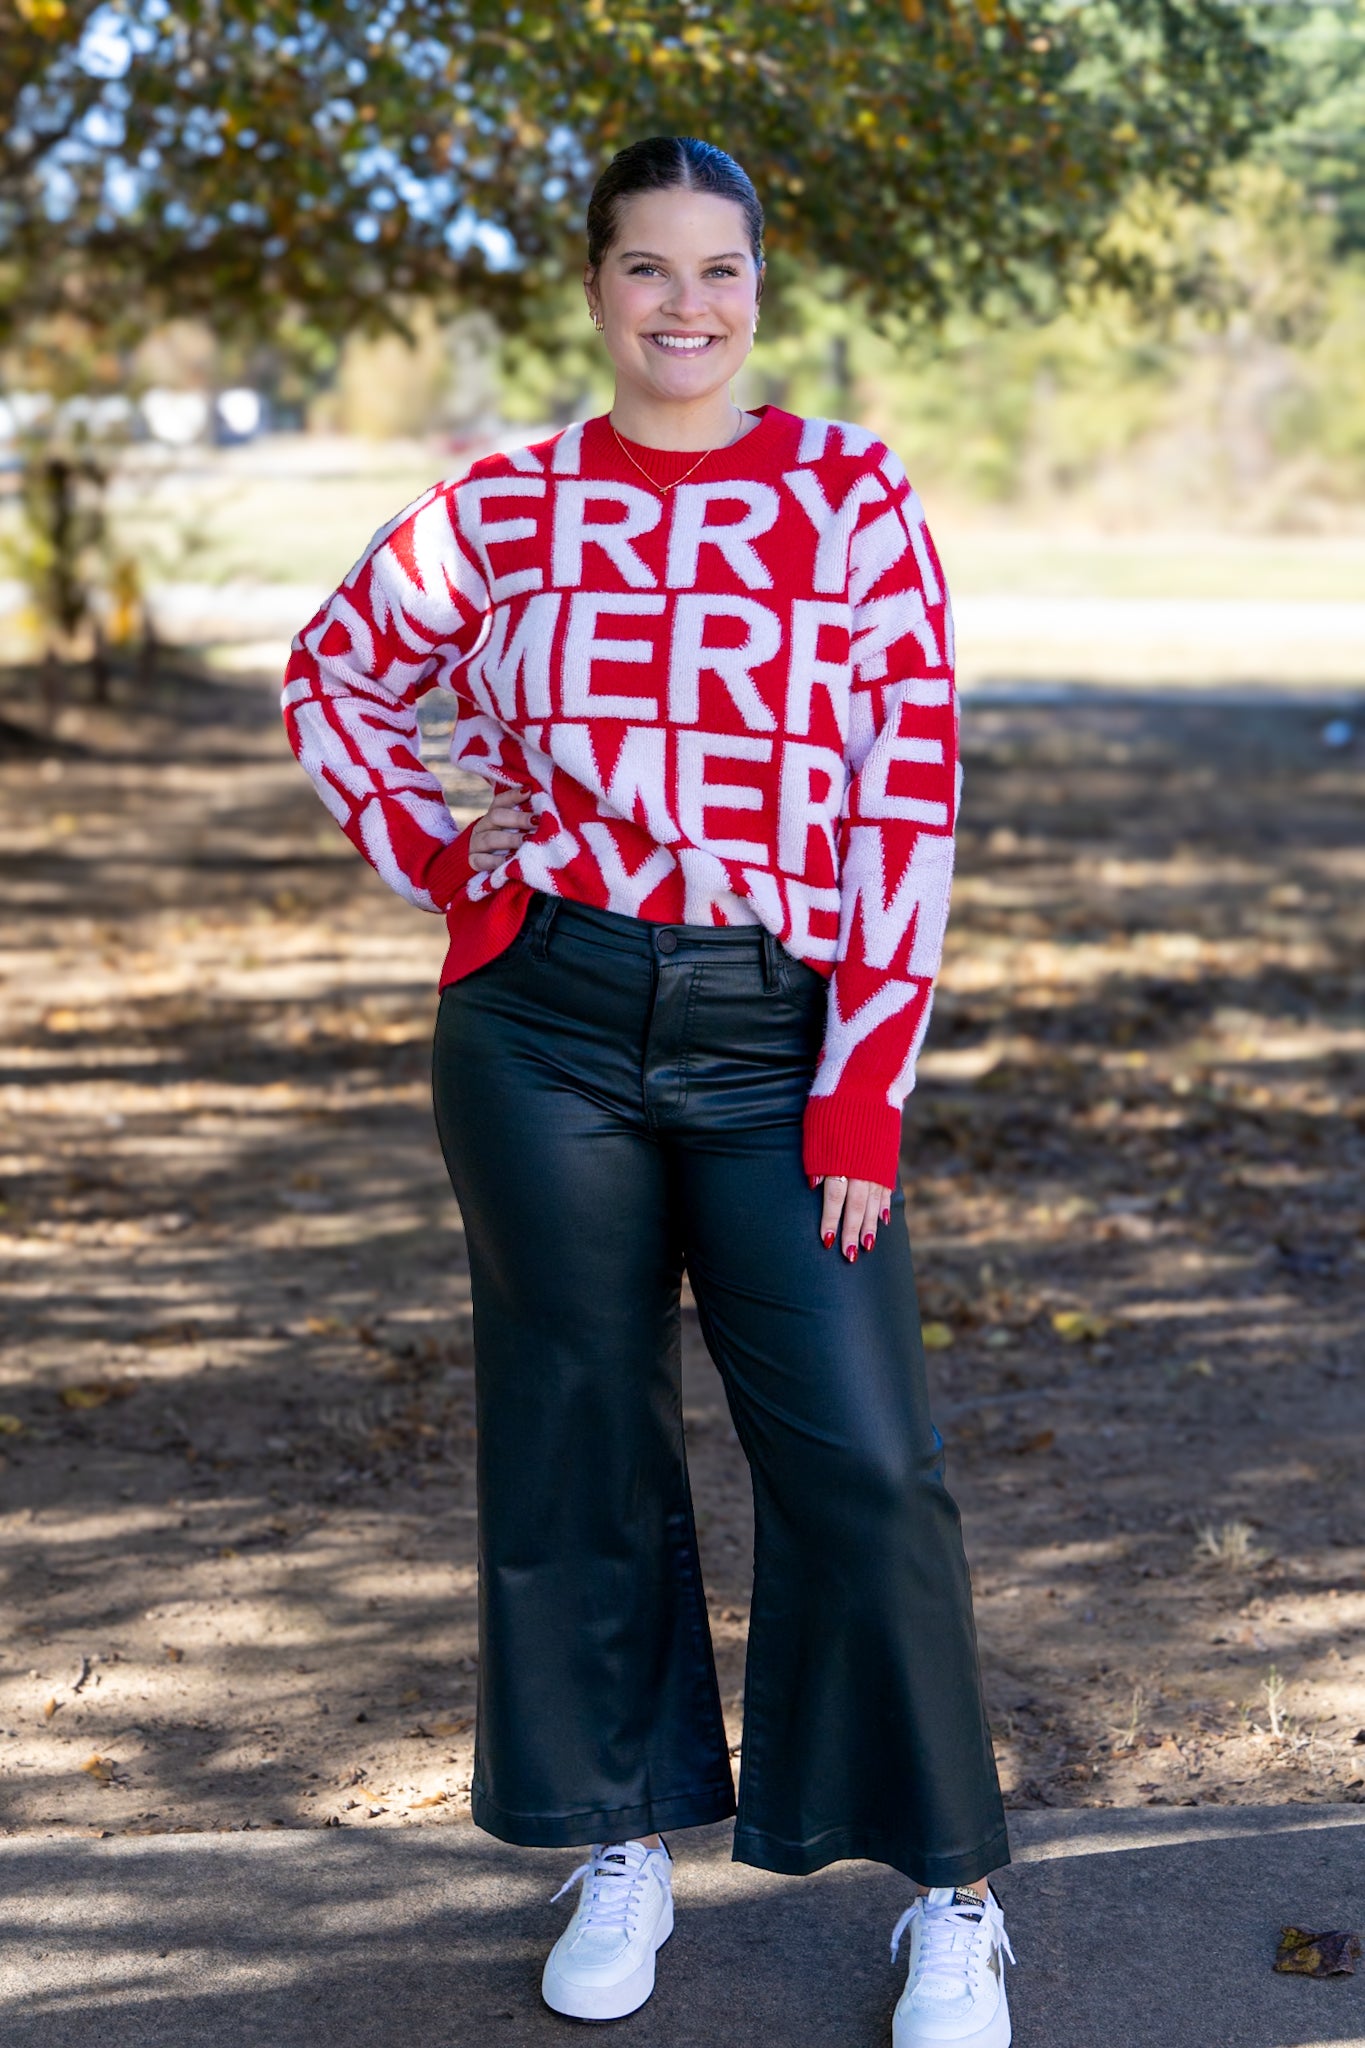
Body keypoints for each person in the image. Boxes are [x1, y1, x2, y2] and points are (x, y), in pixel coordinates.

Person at [282, 134, 1014, 2047]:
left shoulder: (851, 494)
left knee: (866, 1461)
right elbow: (332, 674)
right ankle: (618, 1842)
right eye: (644, 272)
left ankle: (947, 1891)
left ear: (756, 287)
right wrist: (448, 854)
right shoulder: (506, 505)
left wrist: (862, 1088)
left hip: (783, 1044)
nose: (682, 307)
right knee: (577, 1448)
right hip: (542, 1028)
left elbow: (904, 803)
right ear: (593, 289)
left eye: (718, 271)